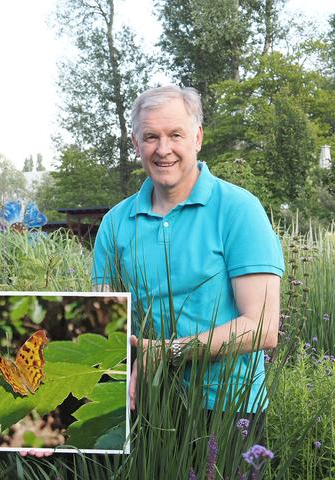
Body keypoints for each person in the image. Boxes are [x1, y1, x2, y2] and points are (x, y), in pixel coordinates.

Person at [91, 85, 284, 418]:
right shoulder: (114, 223)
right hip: (145, 403)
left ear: (197, 138)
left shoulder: (239, 210)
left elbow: (263, 327)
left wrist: (169, 352)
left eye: (175, 135)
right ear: (136, 144)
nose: (163, 149)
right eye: (151, 137)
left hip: (226, 408)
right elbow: (104, 323)